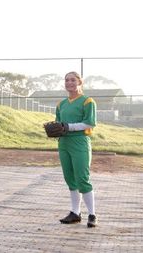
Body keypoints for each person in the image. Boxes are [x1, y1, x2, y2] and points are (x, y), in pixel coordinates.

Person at [55, 71, 98, 227]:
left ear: (80, 82)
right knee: (70, 179)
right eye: (66, 80)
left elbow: (90, 123)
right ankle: (75, 213)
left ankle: (92, 215)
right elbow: (59, 124)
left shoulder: (87, 101)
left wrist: (69, 126)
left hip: (80, 142)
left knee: (82, 178)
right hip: (64, 143)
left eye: (73, 80)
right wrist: (55, 129)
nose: (69, 83)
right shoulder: (61, 104)